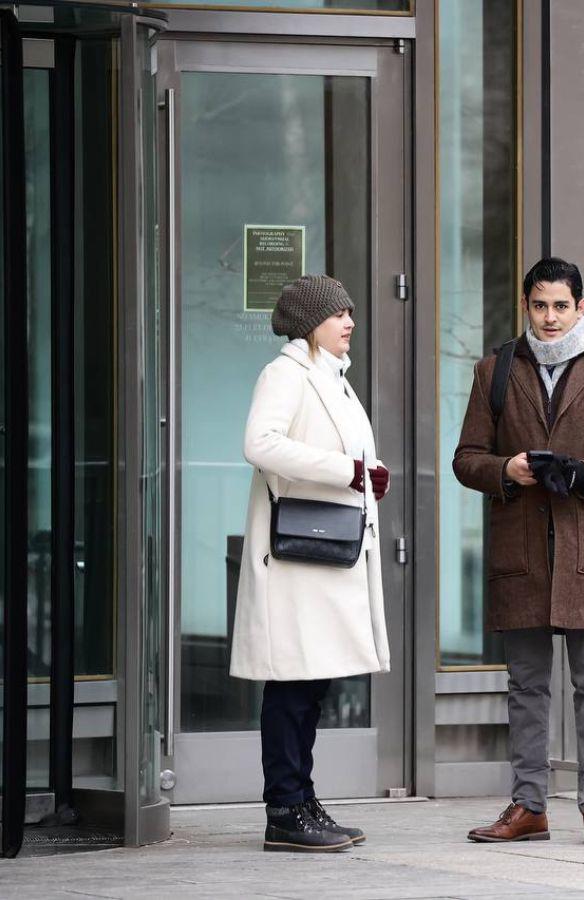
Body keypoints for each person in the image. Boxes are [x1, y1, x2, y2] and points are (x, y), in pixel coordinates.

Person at [453, 257, 584, 847]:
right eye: (539, 305)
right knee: (526, 685)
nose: (549, 317)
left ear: (581, 307)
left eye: (560, 306)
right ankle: (529, 806)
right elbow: (467, 458)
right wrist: (508, 469)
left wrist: (583, 473)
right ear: (526, 306)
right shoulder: (495, 370)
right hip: (519, 550)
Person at [231, 274, 392, 853]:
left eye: (350, 311)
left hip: (324, 555)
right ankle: (284, 809)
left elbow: (344, 456)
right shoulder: (285, 373)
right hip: (294, 557)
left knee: (312, 683)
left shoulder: (333, 378)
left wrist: (369, 477)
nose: (350, 322)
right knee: (292, 686)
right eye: (338, 314)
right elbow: (260, 444)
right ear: (309, 324)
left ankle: (302, 800)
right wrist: (346, 470)